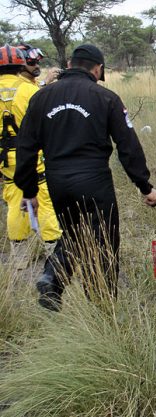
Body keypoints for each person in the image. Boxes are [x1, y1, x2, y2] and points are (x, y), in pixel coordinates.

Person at [14, 44, 156, 311]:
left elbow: (25, 147)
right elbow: (128, 146)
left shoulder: (41, 97)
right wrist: (145, 186)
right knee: (103, 240)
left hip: (57, 180)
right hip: (94, 179)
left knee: (73, 233)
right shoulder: (106, 98)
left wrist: (29, 190)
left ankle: (53, 277)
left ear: (69, 65)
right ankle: (101, 305)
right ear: (98, 69)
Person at [0, 44, 61, 270]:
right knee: (44, 200)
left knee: (15, 201)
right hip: (32, 155)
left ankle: (20, 258)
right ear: (19, 63)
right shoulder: (28, 91)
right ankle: (53, 251)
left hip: (5, 159)